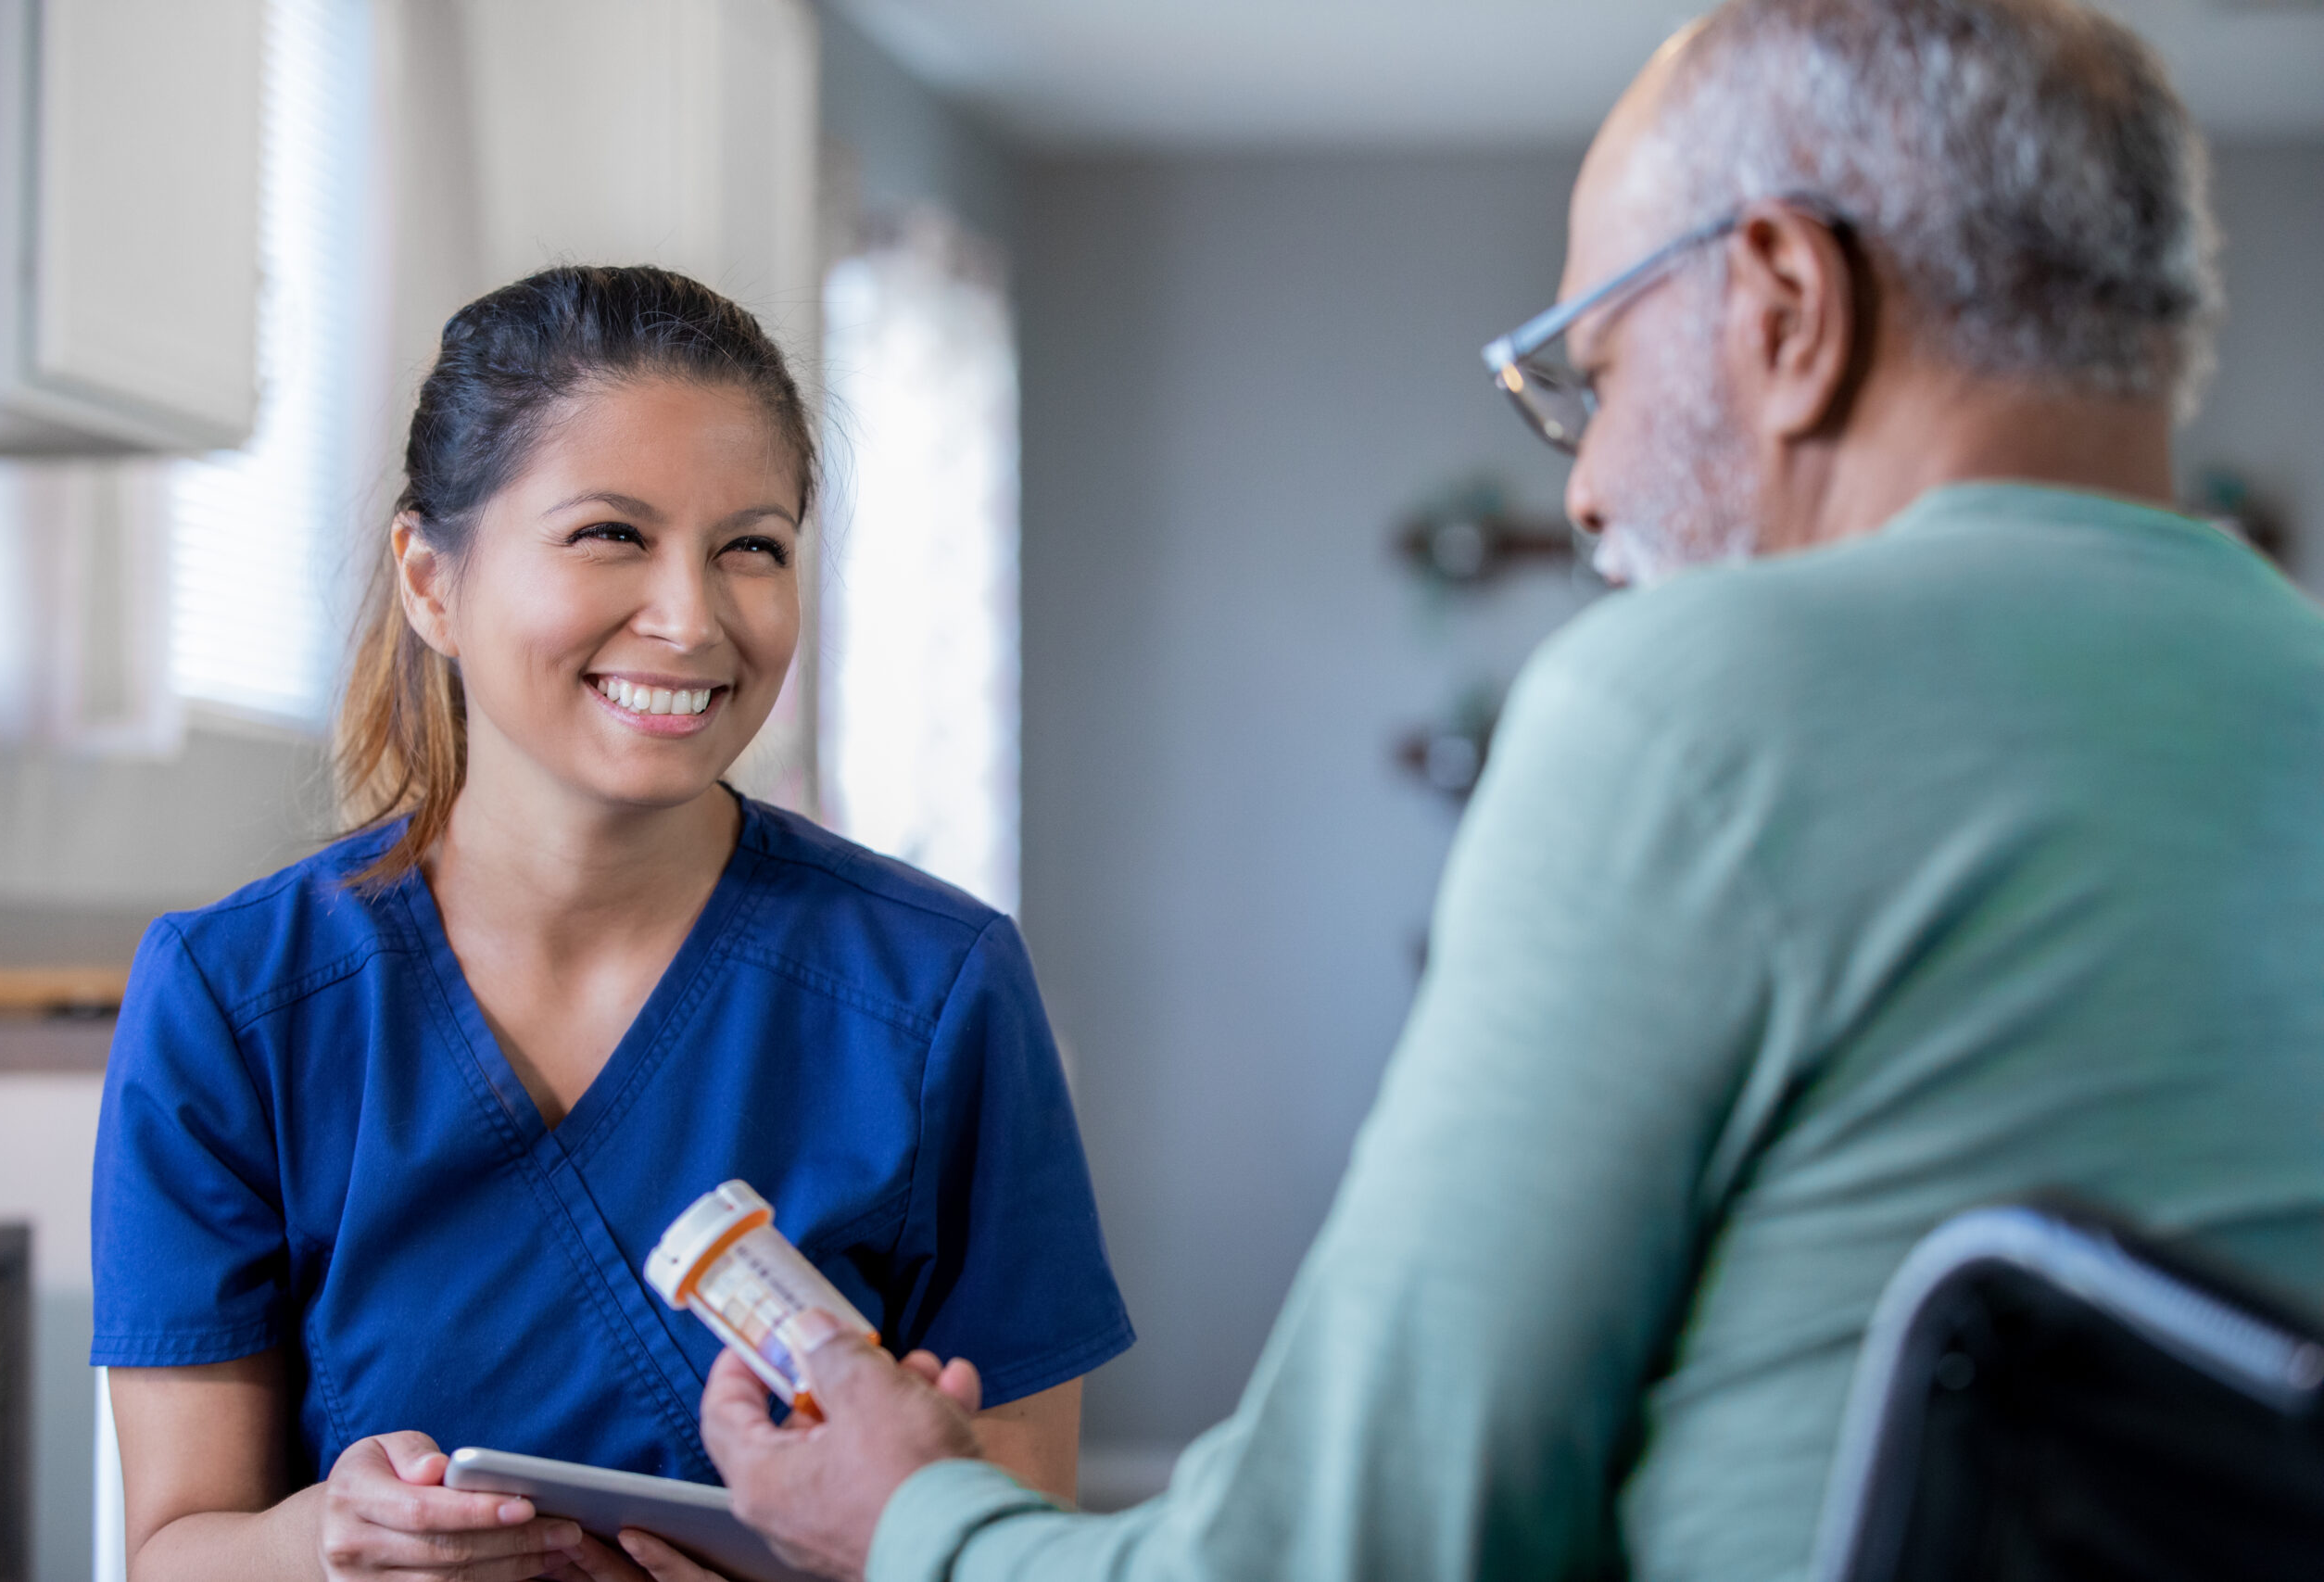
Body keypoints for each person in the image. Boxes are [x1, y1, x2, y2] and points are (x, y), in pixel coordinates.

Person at [692, 2, 2324, 1578]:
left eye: (1594, 374)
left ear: (1784, 304)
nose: (1595, 485)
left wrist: (909, 1517)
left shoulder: (1703, 709)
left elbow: (1348, 1561)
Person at [93, 266, 1132, 1582]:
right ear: (430, 578)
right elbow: (176, 1552)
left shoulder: (937, 989)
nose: (692, 619)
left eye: (750, 547)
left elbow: (1016, 1544)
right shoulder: (236, 1001)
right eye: (610, 536)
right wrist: (328, 1541)